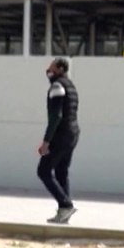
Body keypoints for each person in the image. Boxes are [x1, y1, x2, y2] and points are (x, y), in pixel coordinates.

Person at [38, 56, 80, 224]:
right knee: (61, 171)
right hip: (73, 133)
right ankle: (64, 212)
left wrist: (46, 141)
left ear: (61, 69)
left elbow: (56, 116)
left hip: (61, 134)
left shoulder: (57, 86)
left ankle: (66, 205)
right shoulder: (71, 86)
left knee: (43, 171)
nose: (49, 71)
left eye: (52, 68)